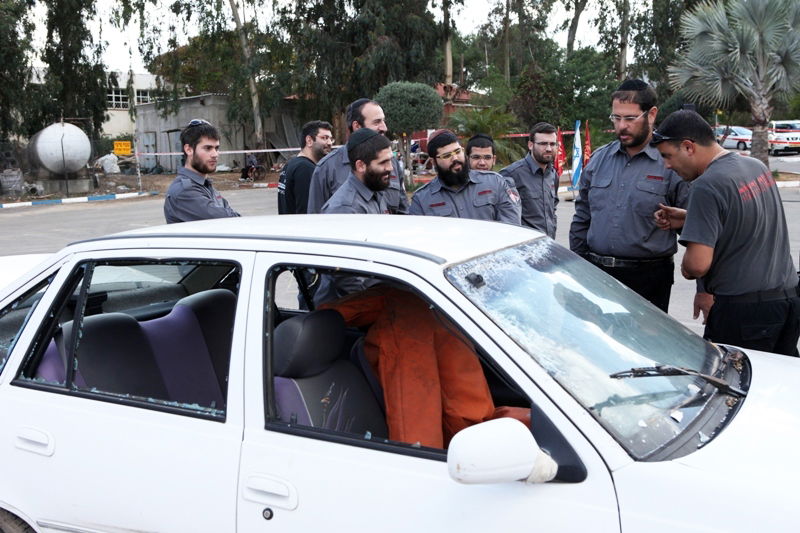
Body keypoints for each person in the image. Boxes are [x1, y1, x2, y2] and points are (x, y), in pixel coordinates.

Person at [652, 110, 800, 356]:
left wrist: (687, 263)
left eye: (668, 156)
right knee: (778, 384)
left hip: (745, 314)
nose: (667, 165)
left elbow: (697, 266)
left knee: (734, 387)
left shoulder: (706, 185)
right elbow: (743, 216)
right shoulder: (754, 166)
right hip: (787, 303)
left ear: (688, 147)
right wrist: (691, 218)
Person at [320, 285, 531, 449]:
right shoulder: (411, 328)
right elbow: (416, 437)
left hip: (477, 431)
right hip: (470, 440)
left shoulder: (424, 303)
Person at [568, 79, 688, 312]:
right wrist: (578, 268)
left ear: (651, 114)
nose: (621, 126)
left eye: (630, 118)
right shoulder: (599, 160)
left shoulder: (671, 163)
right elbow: (582, 219)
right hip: (597, 276)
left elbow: (697, 228)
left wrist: (704, 290)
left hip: (648, 280)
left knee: (645, 348)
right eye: (616, 118)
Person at [314, 128, 392, 306]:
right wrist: (374, 306)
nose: (390, 168)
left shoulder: (376, 190)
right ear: (360, 166)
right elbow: (345, 277)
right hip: (349, 312)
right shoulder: (344, 208)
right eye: (383, 162)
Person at [307, 98, 408, 214]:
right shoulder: (326, 168)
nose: (384, 128)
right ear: (357, 126)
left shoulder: (390, 162)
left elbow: (403, 212)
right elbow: (315, 222)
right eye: (377, 122)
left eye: (383, 121)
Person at [409, 129, 521, 224]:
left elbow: (512, 229)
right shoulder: (421, 200)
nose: (455, 159)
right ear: (434, 162)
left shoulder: (495, 183)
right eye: (447, 155)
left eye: (458, 151)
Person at [164, 119, 240, 224]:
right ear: (189, 150)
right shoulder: (184, 191)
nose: (215, 154)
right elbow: (229, 222)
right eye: (208, 148)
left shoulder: (203, 185)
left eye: (216, 148)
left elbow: (233, 216)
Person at [500, 122, 560, 238]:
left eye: (552, 144)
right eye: (543, 144)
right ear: (530, 145)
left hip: (548, 245)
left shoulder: (553, 175)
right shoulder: (511, 174)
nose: (548, 148)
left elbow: (552, 211)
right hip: (524, 248)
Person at [277, 120, 333, 214]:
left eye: (331, 139)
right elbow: (306, 212)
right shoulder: (306, 169)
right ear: (309, 140)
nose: (330, 142)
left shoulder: (290, 164)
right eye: (324, 138)